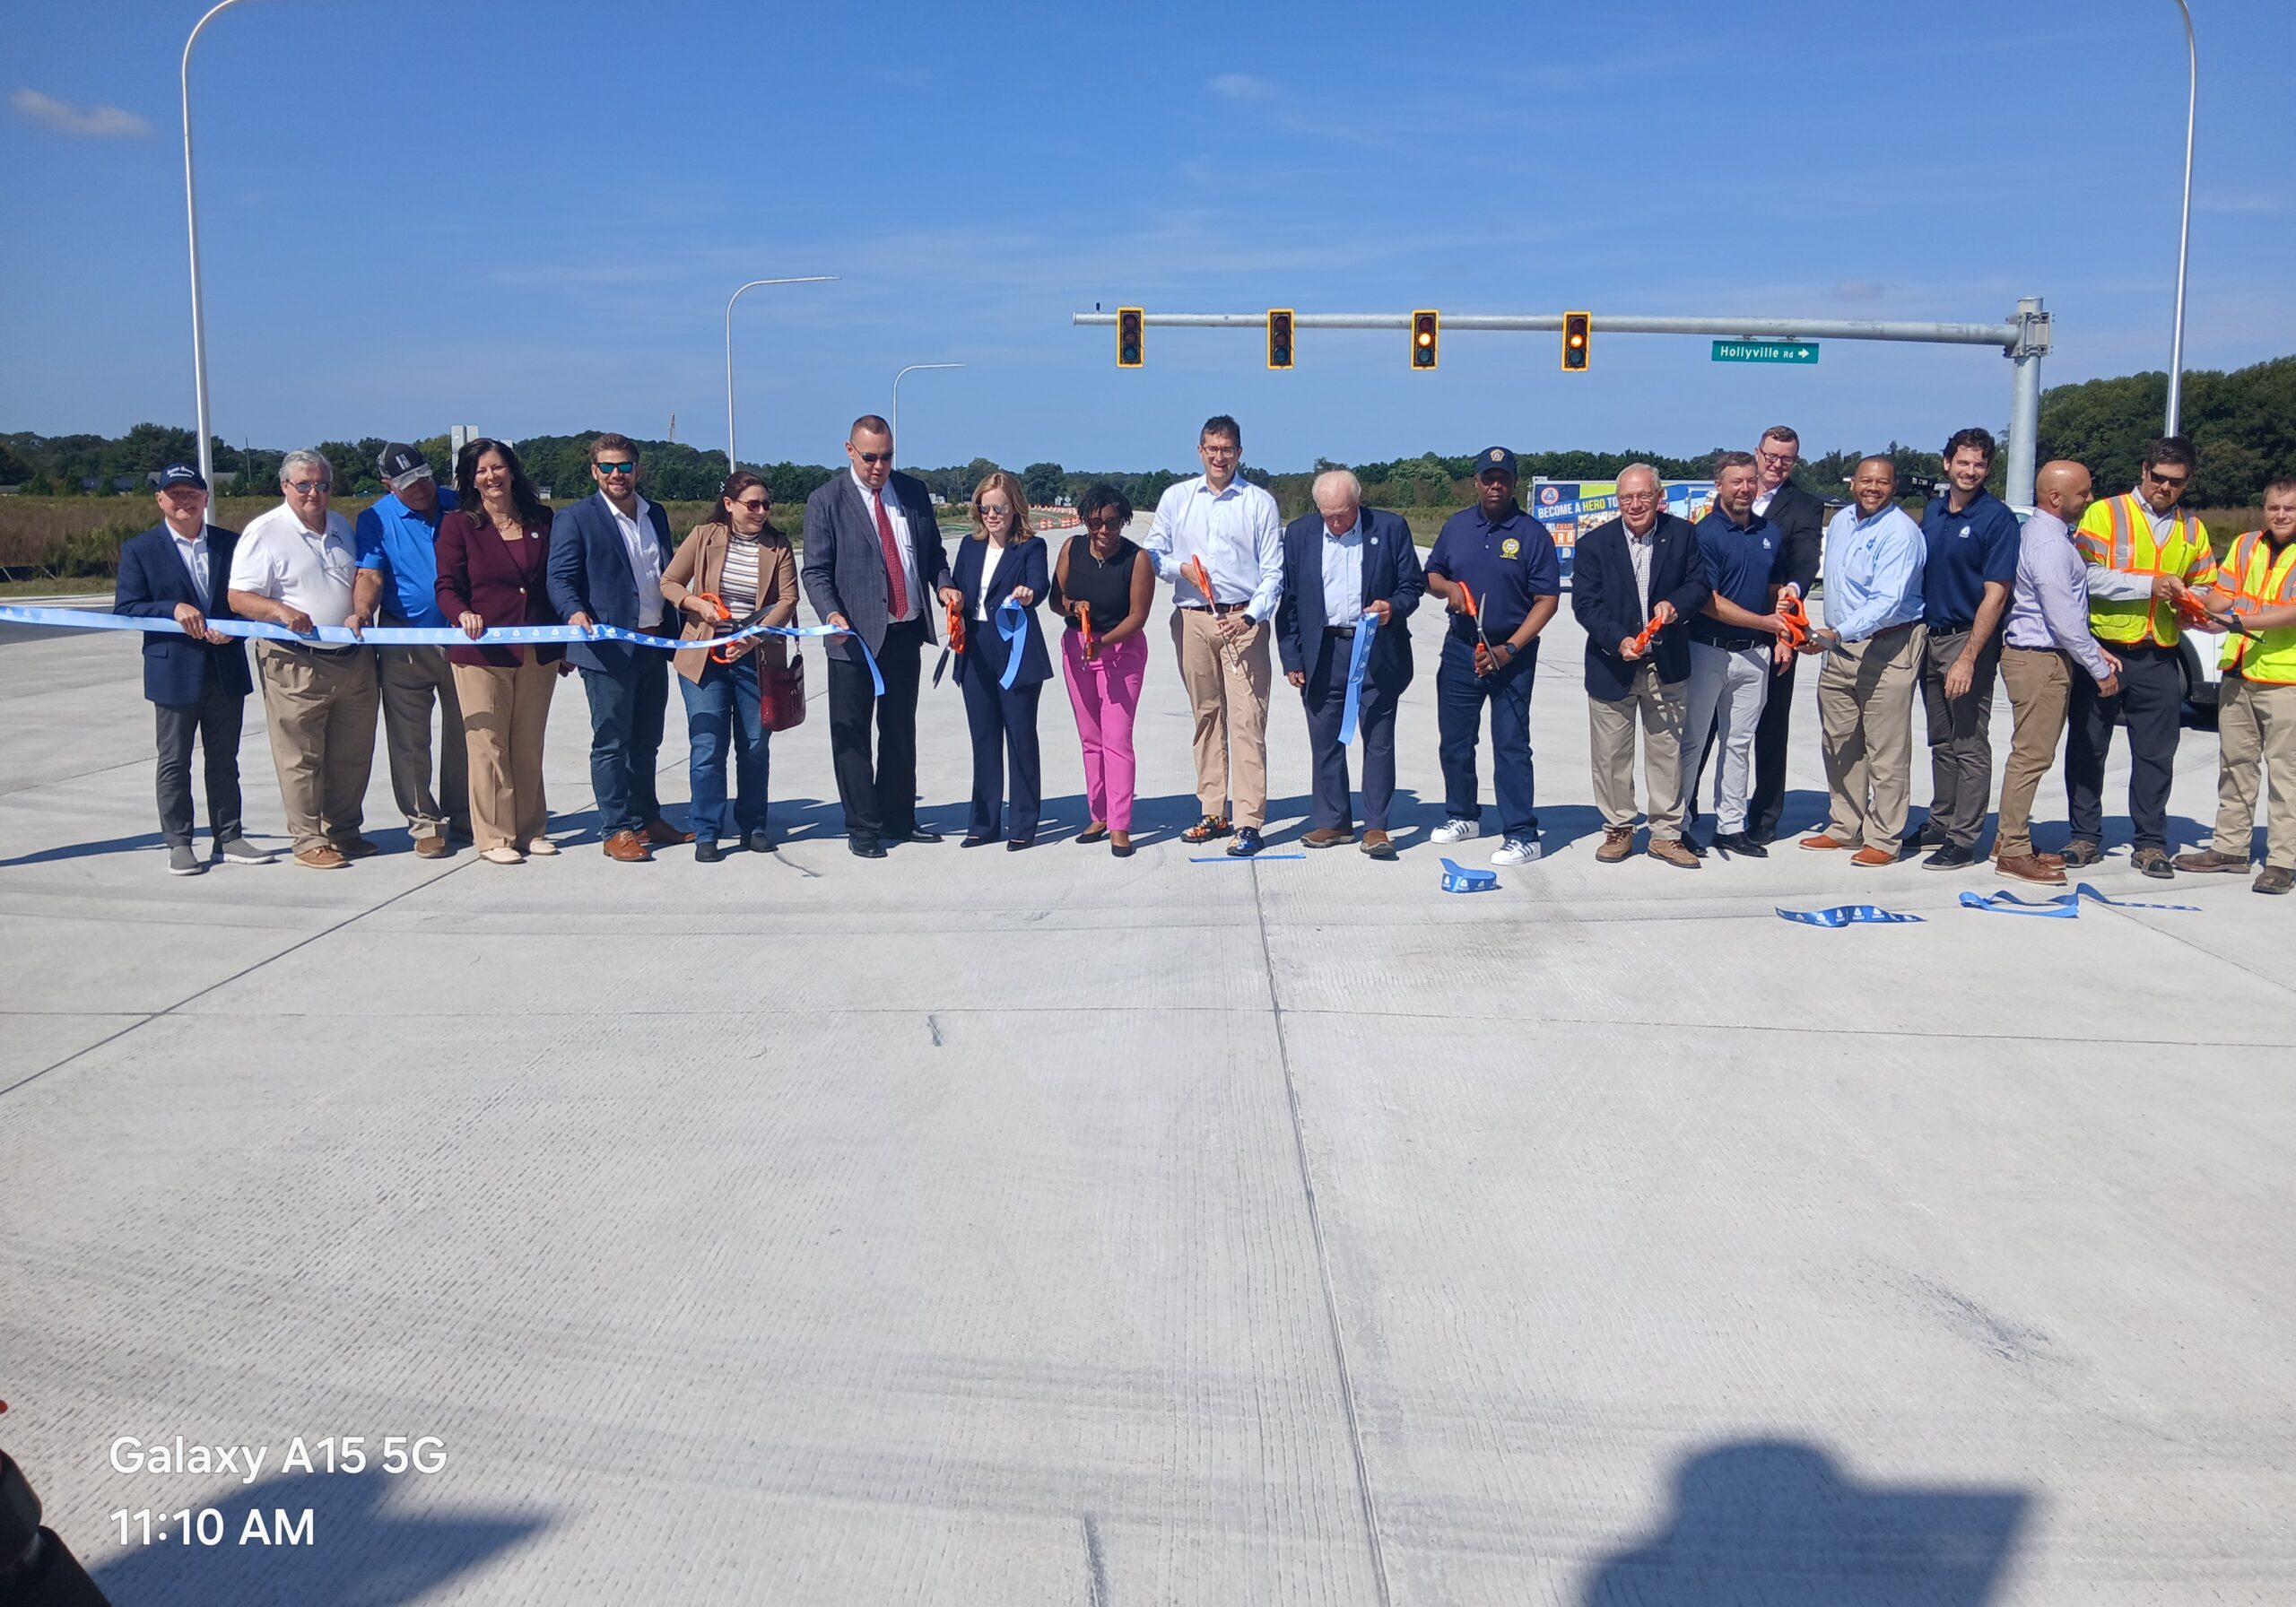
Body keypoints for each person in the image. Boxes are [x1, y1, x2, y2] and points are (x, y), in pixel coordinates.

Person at [2064, 436, 2221, 877]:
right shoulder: (2105, 513)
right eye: (2159, 478)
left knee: (2155, 755)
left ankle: (2150, 844)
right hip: (2104, 650)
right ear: (2144, 471)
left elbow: (2206, 583)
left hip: (2159, 656)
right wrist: (2148, 584)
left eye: (2177, 482)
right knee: (2087, 748)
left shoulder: (2192, 528)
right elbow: (2086, 577)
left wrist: (2195, 603)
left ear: (2187, 483)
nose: (2165, 488)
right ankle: (2084, 836)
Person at [801, 414, 950, 858]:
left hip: (904, 630)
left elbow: (933, 554)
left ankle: (899, 818)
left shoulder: (913, 492)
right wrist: (831, 613)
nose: (879, 466)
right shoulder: (826, 500)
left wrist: (943, 584)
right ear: (850, 451)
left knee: (900, 731)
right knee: (853, 735)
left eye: (887, 457)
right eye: (870, 457)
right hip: (853, 638)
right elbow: (815, 570)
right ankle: (863, 826)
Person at [112, 463, 272, 875]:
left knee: (224, 759)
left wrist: (233, 634)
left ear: (205, 498)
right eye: (175, 494)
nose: (184, 501)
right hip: (173, 672)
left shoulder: (231, 545)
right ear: (160, 500)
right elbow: (127, 607)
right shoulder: (140, 550)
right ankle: (179, 842)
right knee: (174, 761)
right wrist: (171, 609)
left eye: (192, 494)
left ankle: (229, 836)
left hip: (224, 668)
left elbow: (248, 600)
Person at [225, 448, 380, 870]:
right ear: (285, 487)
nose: (314, 492)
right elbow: (238, 597)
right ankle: (308, 839)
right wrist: (281, 612)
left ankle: (344, 830)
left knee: (352, 753)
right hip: (295, 661)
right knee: (300, 756)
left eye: (322, 485)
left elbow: (364, 578)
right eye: (305, 485)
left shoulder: (343, 527)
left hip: (352, 659)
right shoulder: (265, 532)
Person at [1141, 415, 1284, 856]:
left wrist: (1251, 617)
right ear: (1199, 451)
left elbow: (1273, 572)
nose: (1219, 457)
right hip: (1192, 619)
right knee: (1206, 717)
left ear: (1240, 453)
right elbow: (1152, 551)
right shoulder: (1177, 497)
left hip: (1242, 622)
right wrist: (1178, 569)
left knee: (1246, 721)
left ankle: (1248, 821)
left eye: (1227, 449)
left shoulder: (1258, 502)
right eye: (1212, 449)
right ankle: (1212, 810)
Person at [546, 432, 691, 864]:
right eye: (607, 467)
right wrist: (573, 612)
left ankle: (647, 818)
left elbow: (664, 573)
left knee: (648, 740)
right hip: (607, 650)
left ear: (637, 470)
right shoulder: (575, 519)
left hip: (652, 643)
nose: (616, 474)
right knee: (612, 741)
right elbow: (560, 578)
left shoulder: (656, 514)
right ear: (594, 471)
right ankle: (615, 828)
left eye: (624, 466)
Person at [1275, 468, 1424, 860]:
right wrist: (1292, 656)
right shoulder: (1301, 534)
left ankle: (1376, 826)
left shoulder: (1390, 529)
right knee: (1324, 740)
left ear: (1358, 502)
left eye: (1342, 513)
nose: (1335, 522)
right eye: (1327, 514)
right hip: (1321, 652)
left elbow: (1413, 585)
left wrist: (1392, 608)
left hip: (1376, 649)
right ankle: (1334, 820)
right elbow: (1288, 601)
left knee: (1378, 740)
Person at [1424, 447, 1561, 865]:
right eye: (1488, 478)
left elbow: (1548, 600)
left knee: (1511, 745)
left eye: (1503, 478)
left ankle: (1522, 833)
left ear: (1514, 482)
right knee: (1456, 741)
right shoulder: (1458, 526)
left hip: (1511, 653)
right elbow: (1433, 573)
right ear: (1477, 482)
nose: (1495, 485)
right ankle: (1463, 815)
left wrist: (1510, 648)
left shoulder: (1532, 533)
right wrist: (1447, 590)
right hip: (1462, 647)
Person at [1569, 463, 1707, 869]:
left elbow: (1699, 585)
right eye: (1627, 497)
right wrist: (1618, 640)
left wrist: (1675, 606)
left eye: (1643, 496)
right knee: (1611, 754)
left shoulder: (1682, 535)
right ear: (1618, 501)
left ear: (1658, 497)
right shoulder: (1595, 544)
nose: (1635, 505)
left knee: (1667, 751)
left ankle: (1666, 833)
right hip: (1613, 662)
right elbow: (1585, 605)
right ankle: (1618, 827)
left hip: (1667, 661)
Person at [434, 439, 563, 865]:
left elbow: (551, 582)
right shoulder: (458, 525)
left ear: (511, 471)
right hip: (481, 653)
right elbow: (446, 586)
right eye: (481, 471)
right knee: (488, 746)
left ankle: (531, 830)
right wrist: (462, 614)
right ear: (471, 479)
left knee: (527, 743)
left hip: (536, 651)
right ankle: (494, 837)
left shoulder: (541, 519)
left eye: (497, 468)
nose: (491, 477)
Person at [659, 471, 799, 863]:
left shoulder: (778, 545)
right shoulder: (705, 537)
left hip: (754, 659)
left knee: (755, 746)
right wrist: (695, 604)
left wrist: (754, 637)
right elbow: (669, 582)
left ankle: (753, 826)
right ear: (729, 505)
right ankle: (706, 830)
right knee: (707, 746)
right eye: (752, 504)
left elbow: (788, 600)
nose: (760, 511)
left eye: (765, 505)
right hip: (705, 657)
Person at [1796, 456, 1927, 867]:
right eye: (1866, 480)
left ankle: (1884, 837)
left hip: (1888, 644)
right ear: (1853, 483)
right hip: (1838, 645)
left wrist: (1838, 633)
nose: (1873, 488)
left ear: (1894, 486)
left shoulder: (1901, 533)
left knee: (1885, 747)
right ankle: (1844, 825)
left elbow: (1888, 601)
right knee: (1840, 742)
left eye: (1883, 482)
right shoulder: (1840, 523)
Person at [1993, 460, 2120, 885]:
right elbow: (2062, 616)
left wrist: (2092, 648)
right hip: (2039, 659)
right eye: (2083, 493)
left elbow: (2064, 614)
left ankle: (2010, 838)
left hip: (2040, 654)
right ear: (2055, 498)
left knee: (2030, 753)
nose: (2089, 499)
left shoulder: (2044, 536)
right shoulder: (2049, 545)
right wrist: (2098, 666)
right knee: (2032, 755)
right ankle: (2011, 848)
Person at [1901, 428, 2019, 868]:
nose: (1971, 471)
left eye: (1980, 464)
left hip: (1967, 639)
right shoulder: (1933, 512)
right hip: (1929, 635)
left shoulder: (1996, 519)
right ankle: (1941, 820)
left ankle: (1965, 838)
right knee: (1940, 740)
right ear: (1947, 464)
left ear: (1988, 469)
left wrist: (1969, 657)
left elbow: (1996, 593)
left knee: (1968, 740)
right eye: (1963, 462)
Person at [2175, 477, 2296, 894]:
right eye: (2274, 507)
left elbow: (2292, 611)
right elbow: (2225, 593)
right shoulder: (2246, 544)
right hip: (2239, 670)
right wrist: (2197, 605)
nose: (2280, 515)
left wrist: (2239, 620)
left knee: (2287, 774)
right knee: (2236, 767)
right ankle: (2231, 849)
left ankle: (2282, 860)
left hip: (2286, 679)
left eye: (2290, 508)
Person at [352, 442, 468, 857]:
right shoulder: (376, 519)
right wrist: (363, 610)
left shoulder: (460, 504)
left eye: (422, 476)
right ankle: (425, 824)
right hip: (405, 642)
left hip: (463, 636)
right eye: (406, 482)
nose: (419, 487)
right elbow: (369, 573)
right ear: (388, 485)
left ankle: (464, 814)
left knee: (467, 732)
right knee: (409, 739)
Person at [1681, 451, 1790, 858]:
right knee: (1692, 741)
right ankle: (1680, 823)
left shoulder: (1770, 533)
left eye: (1750, 481)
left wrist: (1783, 629)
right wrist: (1766, 625)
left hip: (1754, 655)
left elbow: (1774, 589)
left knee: (1739, 743)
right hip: (1707, 651)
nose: (1744, 488)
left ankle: (1730, 826)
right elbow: (1708, 601)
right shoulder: (1704, 535)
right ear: (1719, 486)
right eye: (1735, 482)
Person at [1048, 483, 1155, 857]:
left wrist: (1105, 644)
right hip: (1077, 649)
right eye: (1096, 522)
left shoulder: (1136, 559)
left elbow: (1138, 616)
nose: (1104, 531)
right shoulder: (1071, 549)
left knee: (1117, 739)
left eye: (1112, 522)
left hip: (1120, 651)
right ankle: (1099, 814)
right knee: (1090, 737)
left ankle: (1120, 824)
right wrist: (1073, 605)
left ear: (1123, 521)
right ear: (1085, 521)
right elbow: (1054, 599)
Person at [948, 470, 1050, 848]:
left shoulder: (1031, 547)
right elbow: (958, 587)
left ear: (1015, 509)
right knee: (984, 737)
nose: (992, 515)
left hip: (1015, 648)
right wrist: (950, 595)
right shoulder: (970, 546)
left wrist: (1027, 593)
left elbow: (1041, 585)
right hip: (975, 648)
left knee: (1021, 737)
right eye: (985, 507)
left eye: (1000, 508)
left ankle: (1023, 824)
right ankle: (984, 822)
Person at [1745, 426, 1826, 841]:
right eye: (1771, 456)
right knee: (1705, 729)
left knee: (1771, 727)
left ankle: (1763, 819)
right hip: (1723, 627)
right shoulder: (1733, 492)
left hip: (1777, 625)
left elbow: (1806, 558)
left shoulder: (1805, 506)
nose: (1777, 465)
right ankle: (1687, 814)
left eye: (1787, 459)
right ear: (1757, 452)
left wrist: (1793, 593)